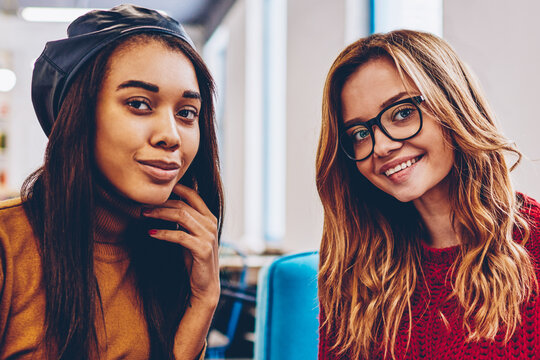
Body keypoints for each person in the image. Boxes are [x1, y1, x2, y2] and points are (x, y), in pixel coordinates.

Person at [0, 5, 223, 360]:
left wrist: (203, 304)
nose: (171, 136)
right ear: (77, 116)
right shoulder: (8, 245)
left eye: (186, 113)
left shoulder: (172, 257)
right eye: (139, 104)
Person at [316, 29, 540, 359]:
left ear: (453, 106)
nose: (381, 146)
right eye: (360, 133)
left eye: (403, 112)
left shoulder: (533, 246)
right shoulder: (354, 265)